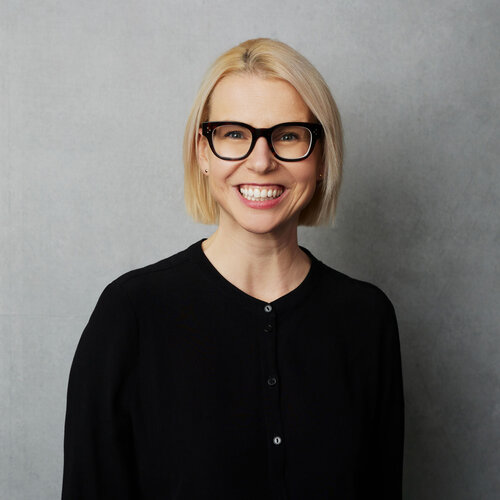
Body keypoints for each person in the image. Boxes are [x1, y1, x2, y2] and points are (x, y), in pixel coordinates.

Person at [62, 38, 404, 499]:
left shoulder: (366, 318)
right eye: (234, 134)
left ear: (321, 157)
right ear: (202, 153)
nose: (261, 162)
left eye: (287, 135)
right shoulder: (131, 314)